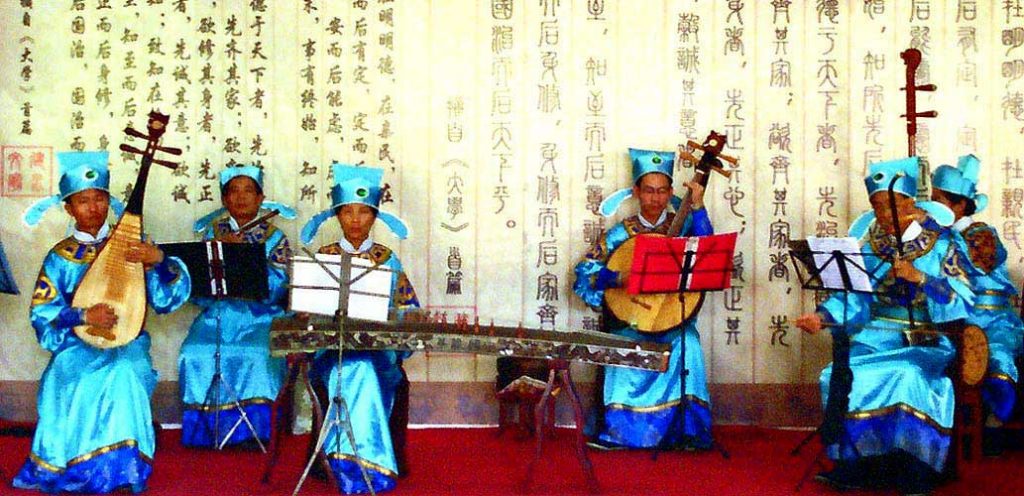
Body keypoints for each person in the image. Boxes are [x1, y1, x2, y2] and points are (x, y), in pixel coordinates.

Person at [14, 151, 191, 493]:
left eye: (99, 199)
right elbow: (42, 313)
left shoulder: (132, 247)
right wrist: (82, 315)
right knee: (75, 379)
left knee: (124, 373)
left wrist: (160, 262)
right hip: (74, 346)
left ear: (109, 202)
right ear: (69, 208)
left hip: (128, 341)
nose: (93, 208)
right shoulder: (60, 257)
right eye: (83, 201)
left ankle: (122, 473)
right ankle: (79, 469)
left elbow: (165, 299)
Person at [795, 156, 974, 495]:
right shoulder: (873, 242)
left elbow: (964, 297)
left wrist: (921, 277)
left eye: (890, 206)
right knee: (838, 373)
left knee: (906, 375)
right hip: (878, 333)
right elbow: (856, 296)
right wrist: (822, 318)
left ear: (911, 203)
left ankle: (916, 468)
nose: (882, 215)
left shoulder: (944, 242)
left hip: (928, 337)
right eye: (876, 207)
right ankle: (859, 464)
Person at [573, 147, 714, 450]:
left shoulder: (683, 227)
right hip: (633, 320)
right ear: (637, 191)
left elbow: (707, 252)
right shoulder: (620, 234)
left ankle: (687, 432)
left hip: (672, 320)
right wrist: (621, 278)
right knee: (622, 348)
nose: (656, 198)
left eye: (662, 191)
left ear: (671, 192)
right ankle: (621, 434)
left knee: (688, 343)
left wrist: (699, 207)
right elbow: (585, 273)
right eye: (649, 191)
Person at [299, 163, 419, 494]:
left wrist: (395, 340)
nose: (355, 220)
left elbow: (409, 310)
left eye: (364, 212)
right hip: (330, 353)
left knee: (368, 367)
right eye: (348, 212)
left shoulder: (388, 259)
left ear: (375, 216)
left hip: (379, 352)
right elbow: (306, 314)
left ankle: (359, 465)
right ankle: (358, 467)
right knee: (354, 368)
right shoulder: (323, 257)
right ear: (337, 215)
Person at [178, 165, 296, 448]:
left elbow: (279, 286)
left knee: (257, 353)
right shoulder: (212, 232)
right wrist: (219, 253)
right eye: (234, 191)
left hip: (260, 317)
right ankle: (205, 432)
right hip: (217, 315)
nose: (241, 198)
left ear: (260, 198)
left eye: (248, 191)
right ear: (224, 199)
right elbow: (197, 287)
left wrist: (243, 259)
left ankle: (254, 433)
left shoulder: (275, 237)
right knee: (194, 352)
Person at [931, 154, 1023, 455]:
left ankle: (994, 428)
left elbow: (978, 265)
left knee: (994, 359)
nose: (932, 206)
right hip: (956, 321)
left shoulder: (980, 234)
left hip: (992, 323)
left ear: (959, 205)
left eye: (939, 200)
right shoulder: (942, 238)